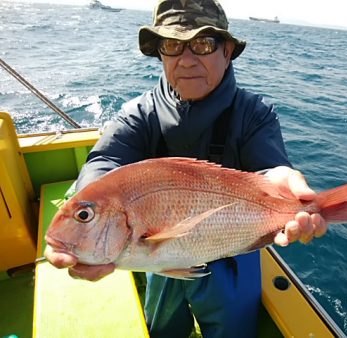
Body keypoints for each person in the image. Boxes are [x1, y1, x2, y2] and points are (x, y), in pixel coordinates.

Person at [45, 0, 328, 337]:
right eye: (172, 45)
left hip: (233, 249)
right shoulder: (140, 113)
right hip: (158, 254)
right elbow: (105, 162)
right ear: (160, 54)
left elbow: (271, 169)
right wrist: (90, 217)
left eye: (203, 44)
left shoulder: (255, 113)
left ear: (227, 51)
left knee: (233, 329)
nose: (187, 58)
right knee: (163, 326)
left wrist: (284, 184)